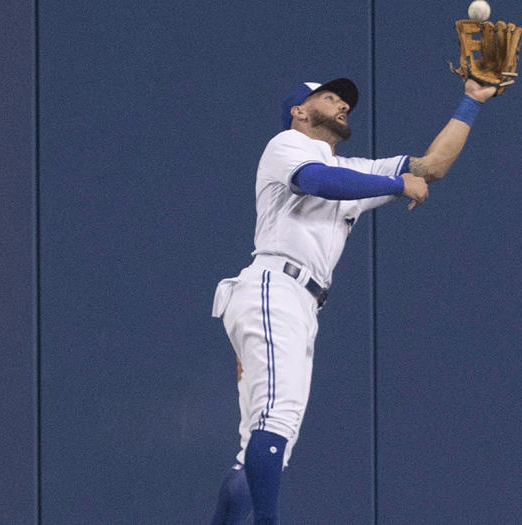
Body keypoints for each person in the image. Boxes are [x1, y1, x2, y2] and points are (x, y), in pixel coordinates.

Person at [209, 76, 497, 524]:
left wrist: (472, 101)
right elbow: (320, 180)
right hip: (274, 285)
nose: (342, 103)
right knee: (277, 420)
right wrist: (398, 186)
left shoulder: (356, 169)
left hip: (301, 304)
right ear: (299, 111)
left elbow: (431, 167)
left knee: (263, 450)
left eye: (344, 99)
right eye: (328, 96)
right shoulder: (286, 145)